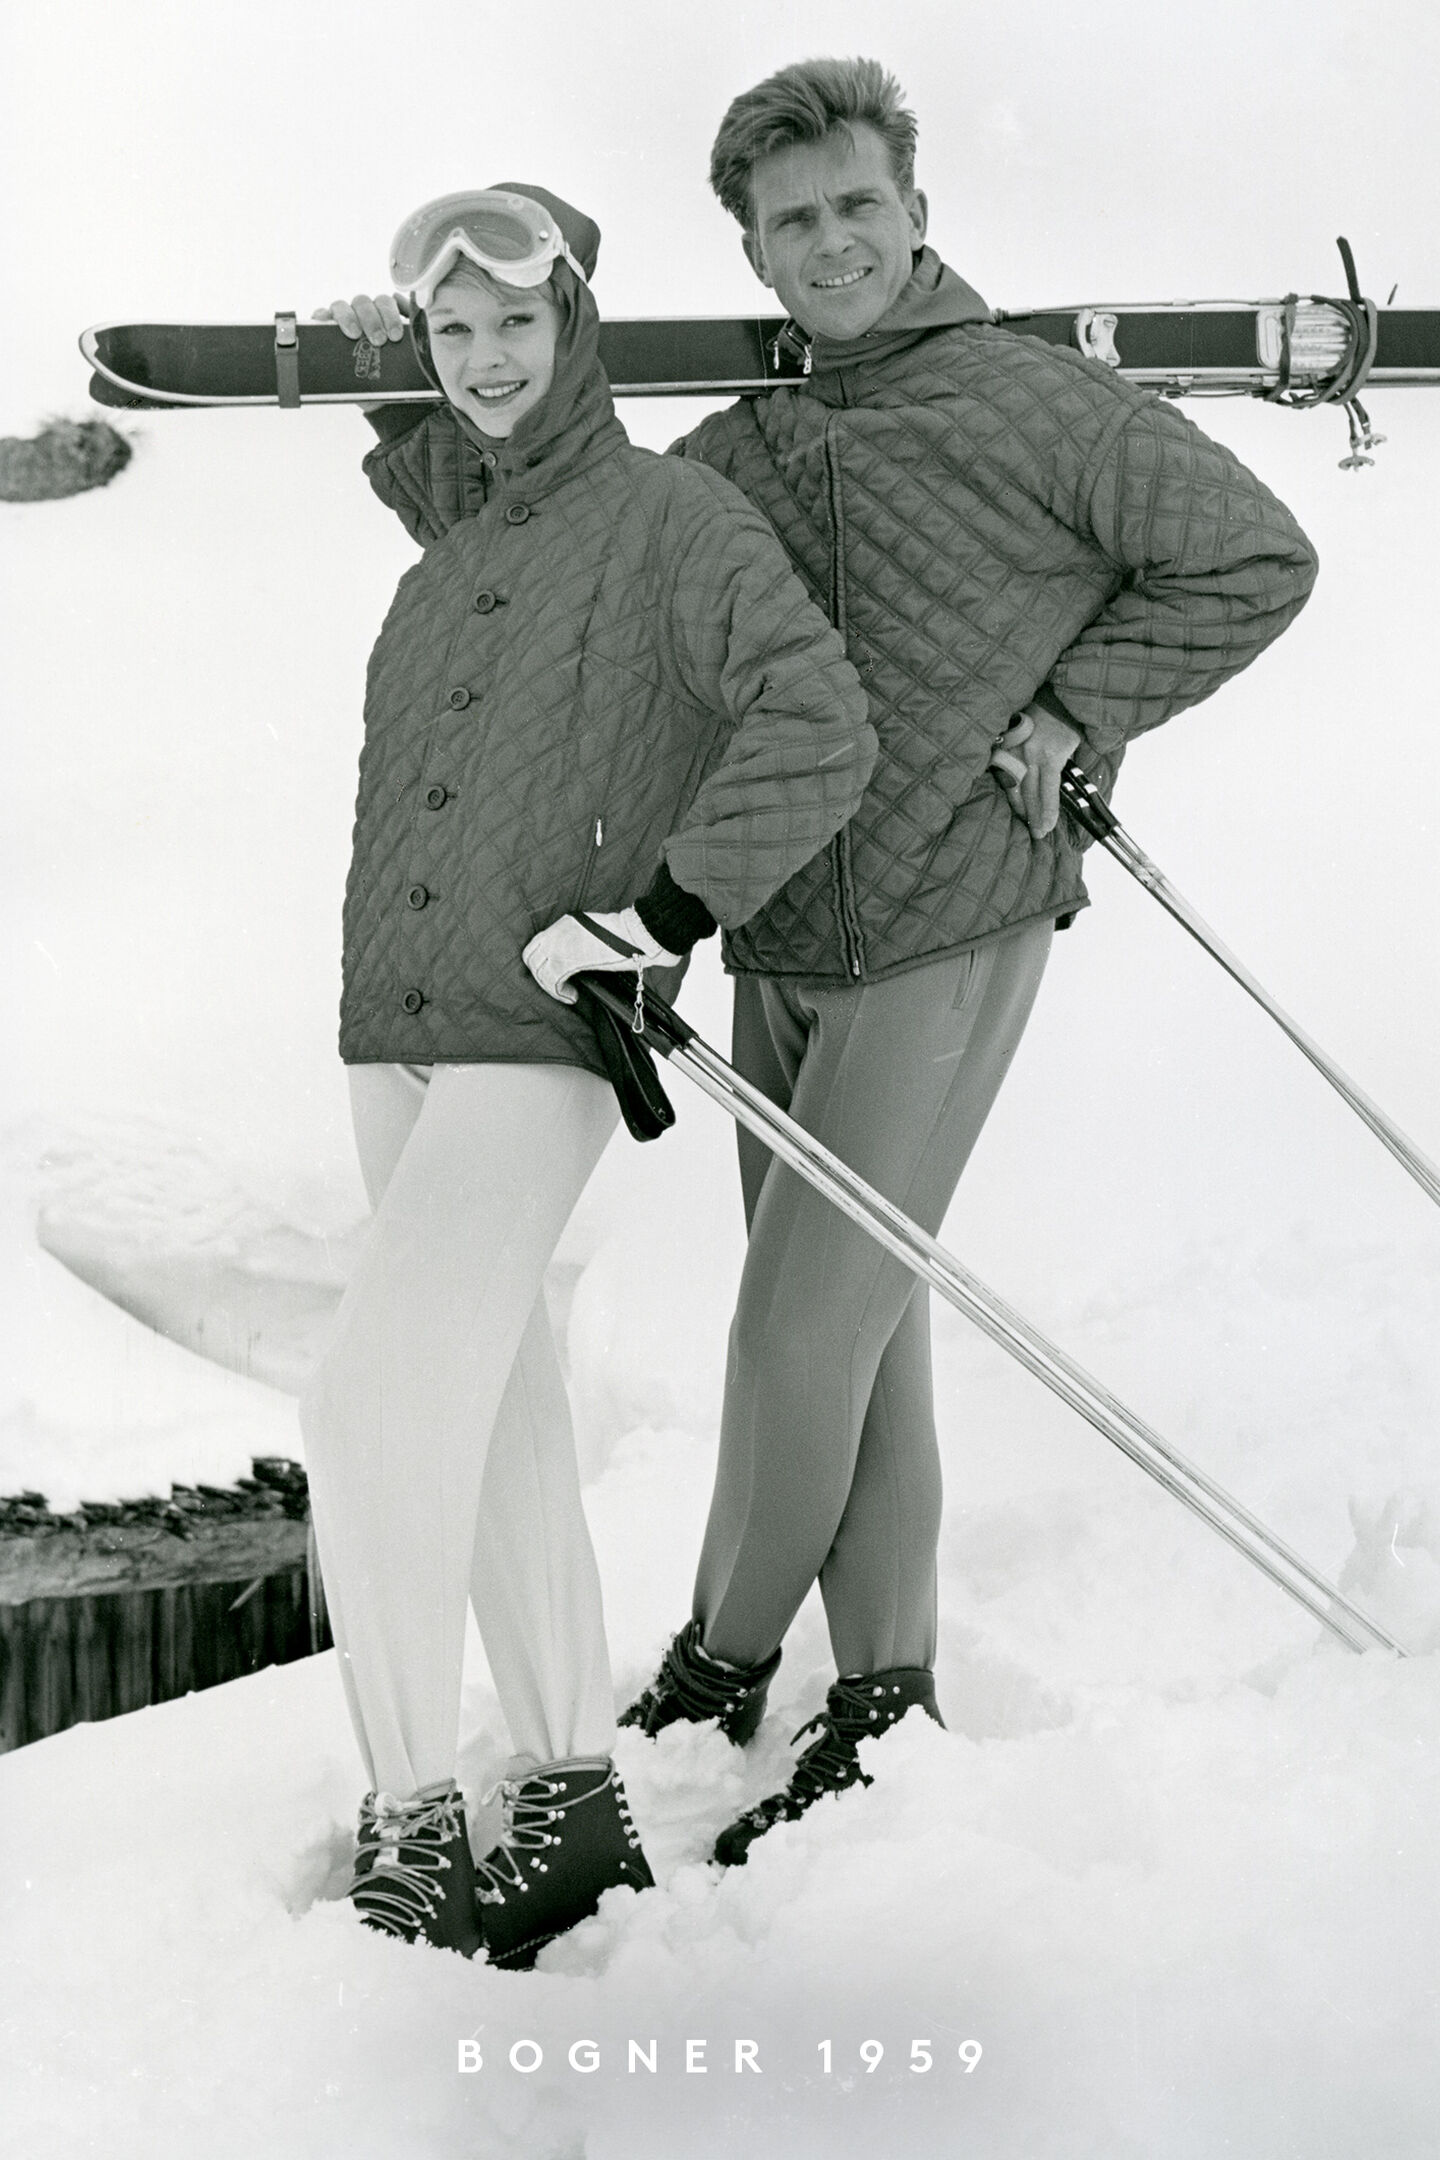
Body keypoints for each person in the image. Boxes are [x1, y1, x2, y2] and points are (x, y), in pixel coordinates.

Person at [603, 59, 1320, 1865]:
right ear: (756, 253)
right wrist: (415, 418)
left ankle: (717, 1671)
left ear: (915, 208)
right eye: (794, 222)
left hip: (949, 915)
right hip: (780, 934)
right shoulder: (749, 446)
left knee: (793, 1332)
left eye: (858, 204)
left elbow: (1253, 556)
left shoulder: (1042, 402)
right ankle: (882, 1698)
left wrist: (1083, 713)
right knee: (868, 1339)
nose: (832, 242)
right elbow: (580, 563)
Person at [303, 182, 874, 1964]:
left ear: (577, 330)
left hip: (539, 1033)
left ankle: (412, 1822)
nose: (480, 362)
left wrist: (666, 908)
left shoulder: (671, 524)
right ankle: (566, 1804)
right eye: (450, 332)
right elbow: (441, 467)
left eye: (514, 325)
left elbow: (818, 718)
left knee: (365, 1410)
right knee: (496, 1430)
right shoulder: (455, 552)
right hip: (392, 1031)